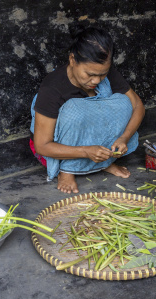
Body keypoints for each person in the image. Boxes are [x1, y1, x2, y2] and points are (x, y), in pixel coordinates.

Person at [30, 26, 145, 193]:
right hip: (53, 148)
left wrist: (124, 138)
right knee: (75, 110)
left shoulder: (103, 73)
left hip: (89, 141)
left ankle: (103, 161)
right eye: (90, 74)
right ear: (72, 60)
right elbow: (42, 145)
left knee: (123, 102)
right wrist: (85, 151)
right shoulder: (52, 88)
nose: (96, 80)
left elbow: (137, 105)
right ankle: (67, 170)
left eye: (103, 74)